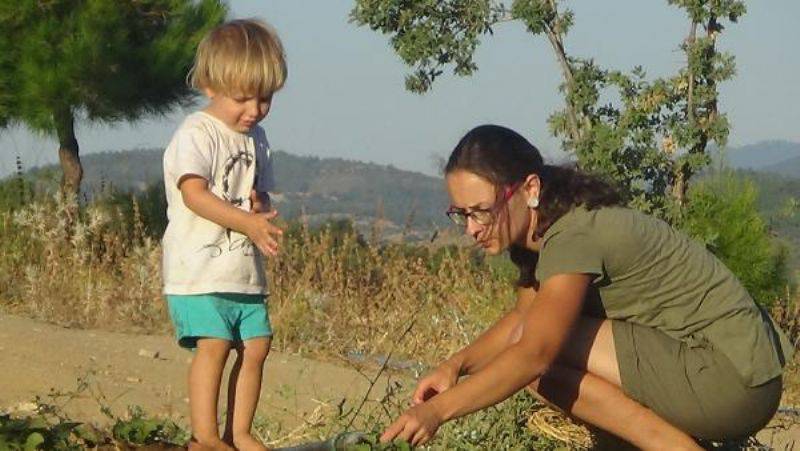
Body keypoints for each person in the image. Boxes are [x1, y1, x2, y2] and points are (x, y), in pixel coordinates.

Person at [380, 125, 794, 449]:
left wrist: (437, 413)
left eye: (482, 212)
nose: (471, 228)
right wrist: (453, 367)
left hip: (731, 381)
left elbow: (533, 351)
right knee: (527, 357)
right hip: (735, 376)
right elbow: (524, 320)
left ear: (530, 188)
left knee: (532, 359)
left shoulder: (571, 234)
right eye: (461, 214)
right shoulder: (542, 234)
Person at [161, 19, 287, 451]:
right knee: (214, 344)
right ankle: (205, 437)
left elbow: (259, 194)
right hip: (198, 269)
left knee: (257, 344)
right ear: (211, 85)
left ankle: (240, 431)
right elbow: (194, 194)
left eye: (265, 98)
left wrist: (261, 212)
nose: (254, 109)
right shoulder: (197, 133)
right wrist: (247, 223)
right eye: (242, 98)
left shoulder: (258, 138)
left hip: (240, 270)